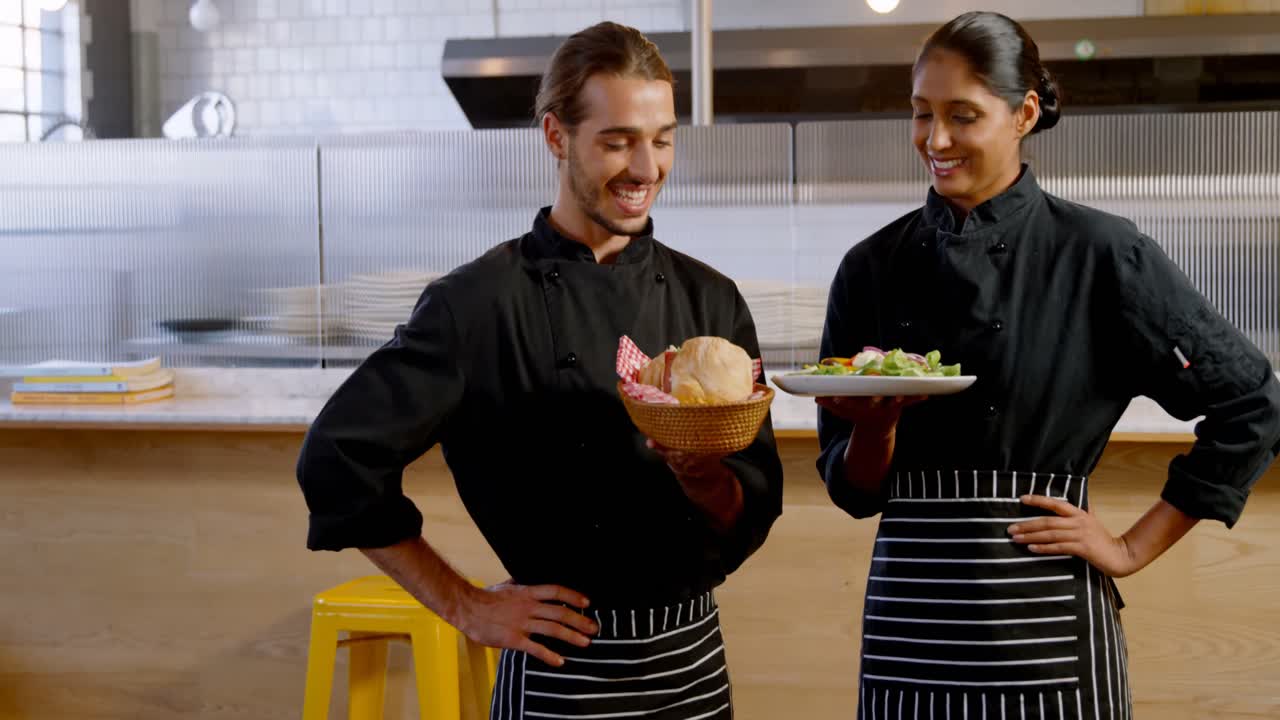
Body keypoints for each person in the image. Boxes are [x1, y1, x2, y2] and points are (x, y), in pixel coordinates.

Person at [296, 21, 783, 720]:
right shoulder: (479, 304)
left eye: (662, 139)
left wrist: (702, 475)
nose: (646, 168)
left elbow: (752, 506)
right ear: (557, 136)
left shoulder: (710, 300)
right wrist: (463, 604)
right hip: (561, 676)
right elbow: (336, 460)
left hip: (692, 666)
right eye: (617, 141)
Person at [815, 11, 1280, 719]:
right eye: (921, 113)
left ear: (1025, 113)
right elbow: (854, 493)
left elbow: (1252, 404)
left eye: (962, 116)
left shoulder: (1101, 254)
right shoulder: (871, 267)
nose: (935, 140)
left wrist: (1130, 548)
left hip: (1048, 628)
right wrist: (875, 430)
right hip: (910, 627)